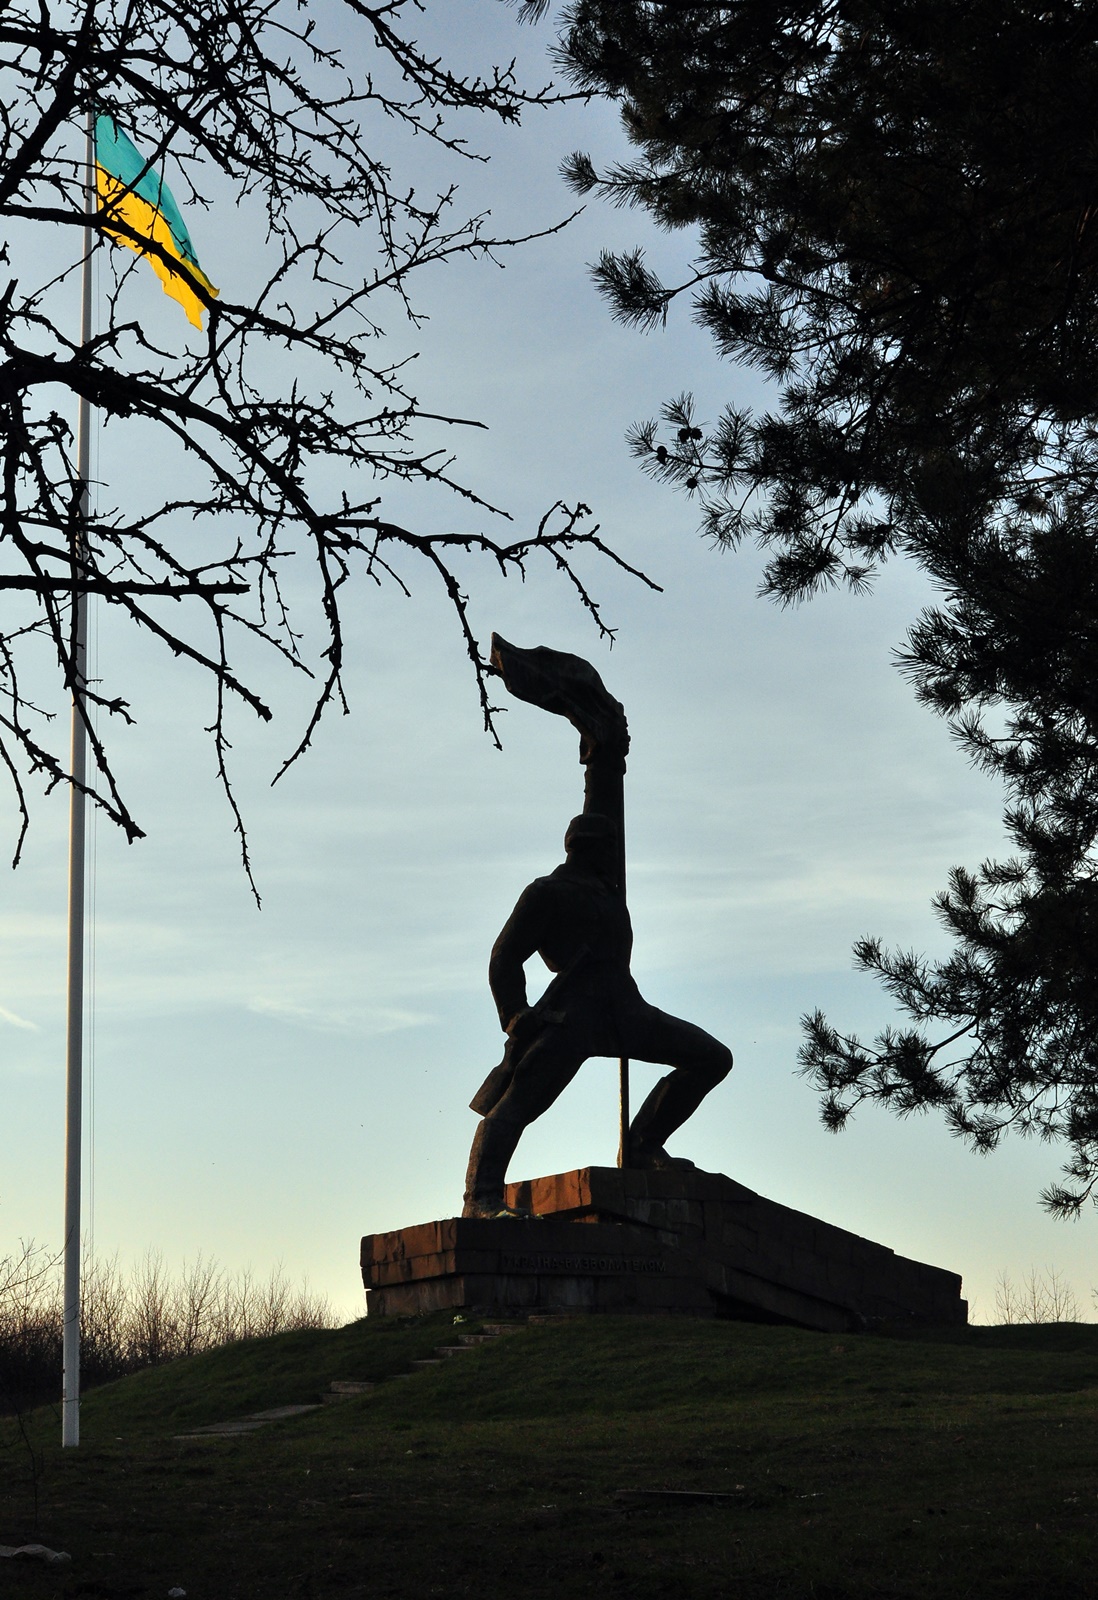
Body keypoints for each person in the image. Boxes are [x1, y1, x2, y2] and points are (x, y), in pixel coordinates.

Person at [463, 812, 733, 1219]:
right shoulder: (546, 892)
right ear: (589, 848)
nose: (613, 855)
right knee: (517, 1103)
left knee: (712, 1058)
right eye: (608, 847)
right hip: (573, 1016)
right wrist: (514, 1013)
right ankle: (481, 1198)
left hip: (626, 1010)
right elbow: (505, 956)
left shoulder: (609, 896)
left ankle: (641, 1147)